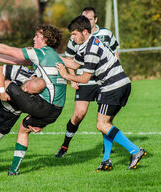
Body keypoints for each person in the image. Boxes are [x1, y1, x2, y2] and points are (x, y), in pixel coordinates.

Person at [0, 24, 66, 175]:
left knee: (6, 85)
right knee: (24, 129)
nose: (34, 38)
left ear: (45, 39)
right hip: (55, 111)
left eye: (37, 36)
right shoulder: (52, 55)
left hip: (43, 105)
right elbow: (17, 60)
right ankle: (13, 170)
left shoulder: (41, 53)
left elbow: (9, 50)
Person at [56, 15, 146, 171]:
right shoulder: (87, 44)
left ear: (84, 31)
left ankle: (135, 150)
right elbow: (74, 63)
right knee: (106, 124)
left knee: (102, 124)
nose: (72, 37)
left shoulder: (91, 49)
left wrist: (65, 76)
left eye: (74, 34)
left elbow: (84, 78)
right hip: (120, 84)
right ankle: (106, 161)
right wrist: (52, 56)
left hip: (113, 86)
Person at [55, 7, 120, 158]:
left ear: (95, 20)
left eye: (90, 19)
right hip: (84, 80)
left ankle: (107, 151)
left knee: (106, 119)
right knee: (78, 115)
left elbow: (115, 52)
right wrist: (71, 78)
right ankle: (65, 145)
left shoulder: (106, 34)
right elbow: (71, 59)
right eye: (85, 19)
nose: (87, 22)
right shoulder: (76, 36)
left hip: (103, 81)